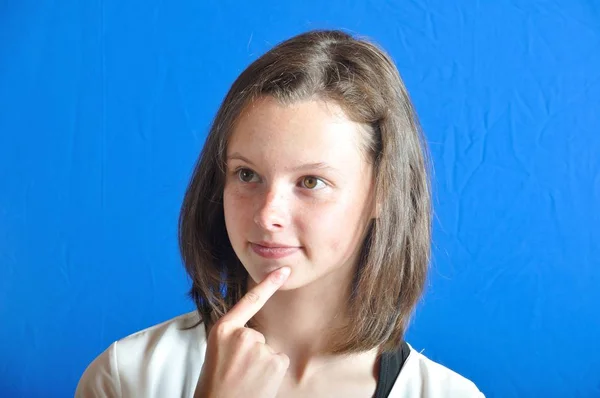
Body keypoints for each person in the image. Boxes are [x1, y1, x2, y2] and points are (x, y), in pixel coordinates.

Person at [76, 29, 484, 397]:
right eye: (247, 174)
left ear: (383, 193)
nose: (268, 214)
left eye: (311, 182)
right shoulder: (125, 378)